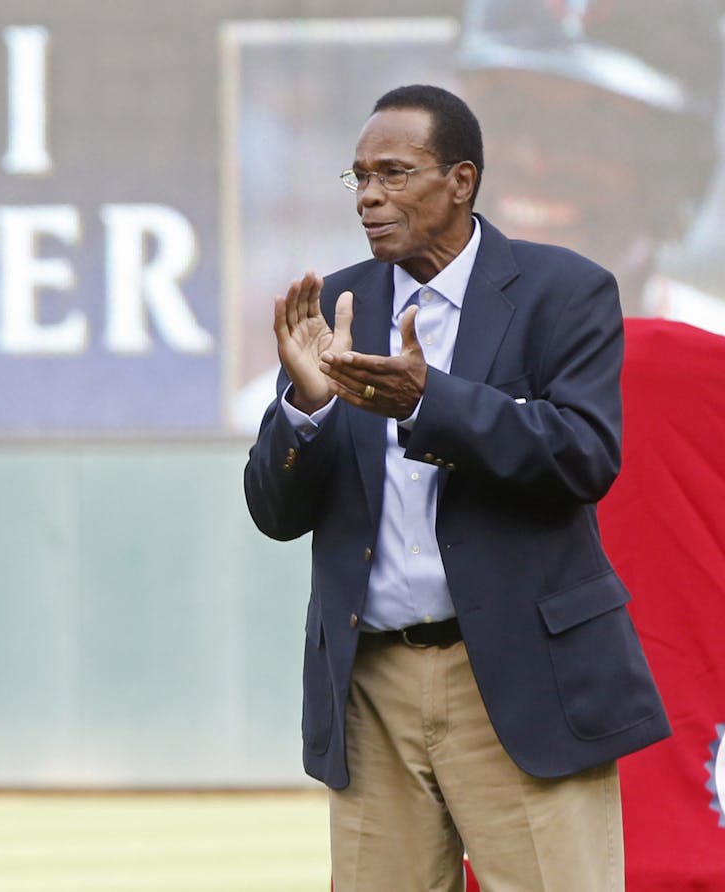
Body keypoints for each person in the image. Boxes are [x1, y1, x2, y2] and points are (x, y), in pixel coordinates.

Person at [243, 84, 668, 891]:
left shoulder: (562, 291)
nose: (369, 196)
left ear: (462, 181)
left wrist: (429, 402)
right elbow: (274, 511)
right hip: (371, 688)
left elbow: (585, 456)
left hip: (516, 676)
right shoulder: (339, 304)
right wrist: (303, 406)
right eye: (359, 177)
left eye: (394, 174)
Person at [457, 0, 725, 331]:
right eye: (506, 113)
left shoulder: (713, 363)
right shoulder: (383, 351)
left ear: (678, 170)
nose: (534, 159)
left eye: (594, 126)